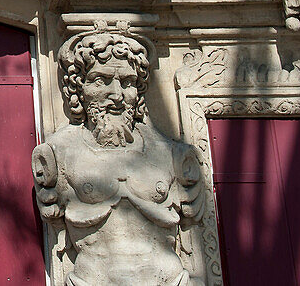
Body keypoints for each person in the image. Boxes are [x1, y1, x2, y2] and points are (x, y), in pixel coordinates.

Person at [32, 27, 205, 286]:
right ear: (79, 87)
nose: (117, 96)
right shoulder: (59, 152)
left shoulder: (170, 153)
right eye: (101, 80)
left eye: (127, 83)